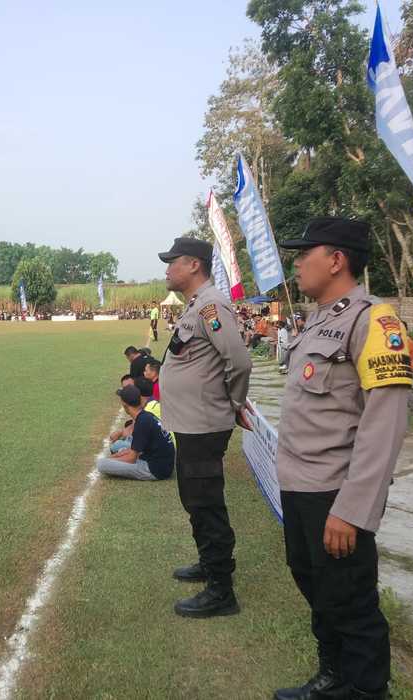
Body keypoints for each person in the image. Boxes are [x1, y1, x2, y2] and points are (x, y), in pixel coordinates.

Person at [271, 217, 412, 700]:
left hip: (335, 493)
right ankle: (334, 677)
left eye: (303, 254)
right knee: (316, 586)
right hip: (299, 485)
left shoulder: (374, 321)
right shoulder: (318, 318)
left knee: (351, 601)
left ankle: (368, 690)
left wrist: (352, 510)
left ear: (335, 260)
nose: (296, 265)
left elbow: (384, 425)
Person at [158, 237, 252, 618]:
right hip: (191, 423)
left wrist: (234, 404)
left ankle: (221, 590)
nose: (167, 269)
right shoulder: (197, 305)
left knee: (206, 503)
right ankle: (209, 563)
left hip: (203, 424)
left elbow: (239, 361)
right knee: (195, 500)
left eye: (173, 262)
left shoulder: (212, 305)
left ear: (194, 265)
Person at [96, 385, 175, 481]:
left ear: (125, 405)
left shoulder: (142, 422)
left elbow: (131, 459)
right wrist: (116, 456)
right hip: (162, 463)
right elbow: (135, 449)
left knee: (102, 464)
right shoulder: (146, 415)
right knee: (118, 447)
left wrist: (111, 460)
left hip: (156, 470)